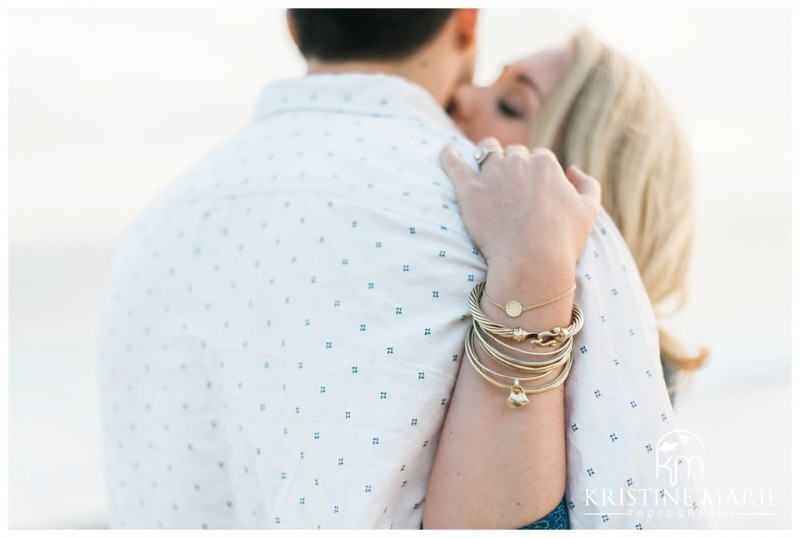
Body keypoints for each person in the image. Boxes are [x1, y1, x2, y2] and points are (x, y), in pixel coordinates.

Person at [96, 11, 706, 530]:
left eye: (511, 105)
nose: (461, 98)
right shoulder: (481, 237)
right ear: (465, 23)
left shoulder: (152, 228)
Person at [447, 30, 709, 402]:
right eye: (491, 80)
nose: (462, 94)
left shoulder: (624, 391)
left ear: (578, 190)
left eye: (509, 105)